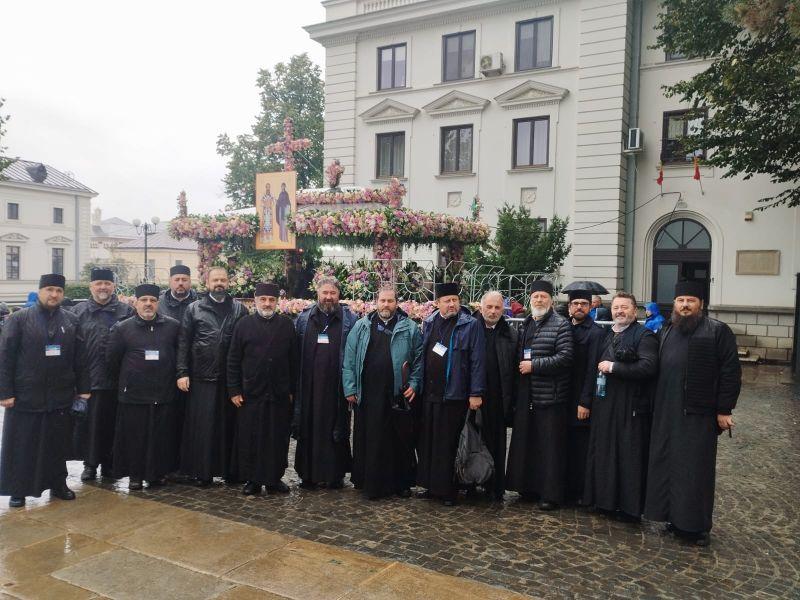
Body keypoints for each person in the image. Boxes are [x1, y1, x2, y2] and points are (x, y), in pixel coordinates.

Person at [644, 281, 741, 546]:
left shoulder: (717, 331)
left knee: (694, 468)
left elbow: (730, 372)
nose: (685, 305)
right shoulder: (667, 329)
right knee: (667, 464)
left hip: (698, 412)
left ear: (701, 304)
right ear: (674, 304)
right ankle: (671, 518)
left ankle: (695, 526)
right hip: (666, 409)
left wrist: (724, 409)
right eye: (680, 300)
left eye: (690, 300)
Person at [0, 274, 90, 507]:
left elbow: (81, 359)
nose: (54, 294)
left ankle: (58, 484)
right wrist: (5, 392)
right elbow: (5, 357)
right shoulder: (19, 319)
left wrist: (84, 391)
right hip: (26, 395)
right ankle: (18, 489)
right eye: (49, 289)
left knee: (56, 444)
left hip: (60, 396)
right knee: (23, 444)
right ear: (40, 291)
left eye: (58, 291)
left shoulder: (71, 320)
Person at [343, 284, 422, 500]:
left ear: (397, 303)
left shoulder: (409, 327)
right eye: (382, 301)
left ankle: (400, 483)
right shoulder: (361, 326)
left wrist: (414, 383)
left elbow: (418, 360)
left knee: (398, 440)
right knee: (371, 438)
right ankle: (370, 483)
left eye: (390, 301)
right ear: (376, 302)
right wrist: (350, 387)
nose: (386, 305)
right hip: (368, 393)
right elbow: (349, 359)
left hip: (397, 393)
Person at [583, 293, 658, 519]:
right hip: (605, 405)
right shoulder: (607, 335)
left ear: (635, 311)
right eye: (616, 308)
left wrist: (614, 367)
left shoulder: (644, 335)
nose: (619, 311)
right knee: (604, 454)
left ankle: (629, 508)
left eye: (624, 307)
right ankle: (604, 502)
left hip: (630, 407)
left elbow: (648, 367)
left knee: (628, 458)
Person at [177, 266, 247, 486]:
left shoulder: (239, 310)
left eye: (223, 280)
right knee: (203, 428)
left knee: (229, 427)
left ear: (229, 282)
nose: (219, 284)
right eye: (215, 280)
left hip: (230, 379)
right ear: (207, 283)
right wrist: (182, 372)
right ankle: (203, 472)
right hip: (202, 377)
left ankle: (230, 472)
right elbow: (184, 342)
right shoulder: (194, 309)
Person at [416, 282, 485, 506]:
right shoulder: (429, 322)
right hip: (430, 393)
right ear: (438, 303)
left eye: (455, 300)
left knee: (448, 444)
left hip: (454, 393)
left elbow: (477, 361)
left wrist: (476, 392)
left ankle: (448, 490)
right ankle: (430, 486)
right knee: (430, 442)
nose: (452, 304)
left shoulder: (470, 324)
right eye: (447, 301)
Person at [506, 280, 573, 510]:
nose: (539, 300)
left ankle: (550, 495)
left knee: (550, 447)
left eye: (543, 296)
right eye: (535, 296)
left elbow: (565, 357)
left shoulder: (561, 325)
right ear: (530, 299)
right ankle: (528, 488)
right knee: (529, 444)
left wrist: (534, 365)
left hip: (550, 395)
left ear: (551, 300)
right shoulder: (526, 324)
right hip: (528, 395)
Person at [107, 284, 180, 490]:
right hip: (134, 394)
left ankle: (156, 474)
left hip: (163, 392)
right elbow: (112, 360)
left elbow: (179, 354)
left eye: (153, 300)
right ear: (136, 303)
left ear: (158, 303)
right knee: (135, 437)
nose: (148, 304)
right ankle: (135, 475)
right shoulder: (123, 328)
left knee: (160, 437)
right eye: (144, 300)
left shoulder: (172, 326)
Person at [227, 282, 297, 496]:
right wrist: (234, 390)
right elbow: (233, 360)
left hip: (279, 393)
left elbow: (294, 361)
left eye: (271, 300)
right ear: (255, 300)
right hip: (251, 393)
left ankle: (274, 478)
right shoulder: (243, 325)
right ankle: (253, 480)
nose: (267, 304)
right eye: (263, 299)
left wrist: (292, 390)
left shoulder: (287, 325)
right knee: (251, 437)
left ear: (277, 302)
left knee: (277, 438)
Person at [293, 277, 357, 489]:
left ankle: (334, 474)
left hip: (336, 388)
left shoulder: (350, 320)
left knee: (336, 429)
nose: (328, 297)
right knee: (308, 428)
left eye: (333, 293)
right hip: (309, 388)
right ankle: (308, 474)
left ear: (339, 295)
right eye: (325, 293)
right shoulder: (304, 319)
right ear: (317, 294)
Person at [72, 268, 134, 481]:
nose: (103, 287)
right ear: (91, 286)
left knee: (113, 425)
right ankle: (90, 464)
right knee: (90, 426)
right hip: (89, 380)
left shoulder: (126, 311)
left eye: (107, 284)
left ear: (113, 286)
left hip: (117, 380)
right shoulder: (78, 312)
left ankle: (110, 463)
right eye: (98, 283)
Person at [473, 290, 517, 501]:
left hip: (499, 397)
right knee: (473, 440)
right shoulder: (471, 328)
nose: (492, 311)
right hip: (474, 396)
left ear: (503, 309)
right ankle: (471, 482)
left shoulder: (510, 334)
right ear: (481, 308)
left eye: (497, 307)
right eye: (489, 307)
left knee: (496, 442)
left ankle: (494, 486)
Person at [564, 288, 605, 503]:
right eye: (575, 303)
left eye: (584, 304)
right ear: (569, 307)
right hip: (563, 397)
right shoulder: (564, 328)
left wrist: (585, 401)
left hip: (581, 399)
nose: (579, 307)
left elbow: (593, 369)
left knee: (580, 448)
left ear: (590, 307)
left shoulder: (596, 332)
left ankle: (579, 492)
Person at [157, 264, 198, 479]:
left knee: (189, 419)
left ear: (190, 281)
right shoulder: (159, 304)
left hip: (194, 369)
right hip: (165, 369)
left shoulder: (199, 303)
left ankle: (188, 465)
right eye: (177, 279)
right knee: (168, 419)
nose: (180, 283)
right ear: (170, 281)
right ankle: (167, 464)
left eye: (184, 279)